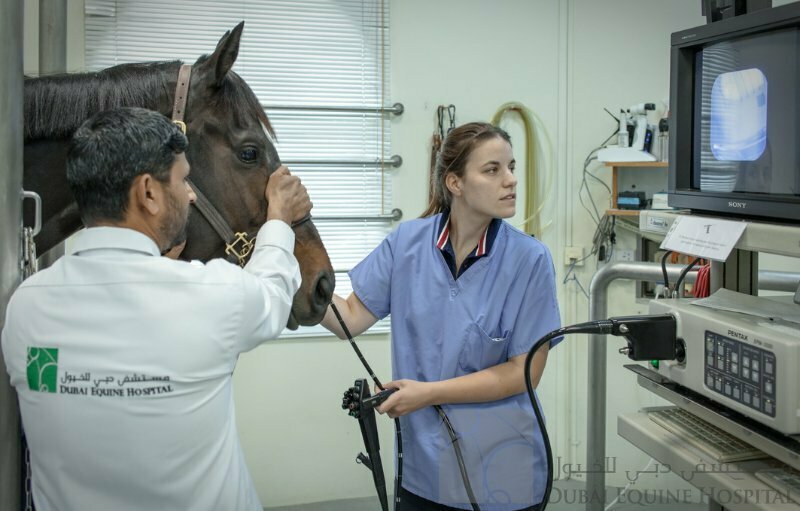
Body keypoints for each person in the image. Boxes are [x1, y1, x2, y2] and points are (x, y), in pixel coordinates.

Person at [1, 107, 311, 511]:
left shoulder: (27, 307)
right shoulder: (211, 296)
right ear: (148, 193)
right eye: (183, 180)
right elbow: (273, 291)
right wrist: (280, 219)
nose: (191, 194)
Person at [321, 122, 562, 511]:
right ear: (455, 182)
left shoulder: (530, 260)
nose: (511, 180)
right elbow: (348, 318)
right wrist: (289, 276)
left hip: (502, 473)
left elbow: (525, 371)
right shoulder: (406, 244)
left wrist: (428, 393)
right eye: (493, 169)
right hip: (423, 468)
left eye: (511, 167)